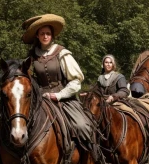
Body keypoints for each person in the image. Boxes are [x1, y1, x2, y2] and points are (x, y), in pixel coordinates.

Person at [22, 14, 95, 152]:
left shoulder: (62, 53)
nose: (45, 36)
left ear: (52, 35)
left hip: (63, 98)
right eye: (42, 33)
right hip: (39, 99)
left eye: (48, 33)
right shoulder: (31, 56)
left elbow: (76, 80)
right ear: (37, 36)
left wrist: (59, 95)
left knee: (82, 125)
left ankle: (92, 158)